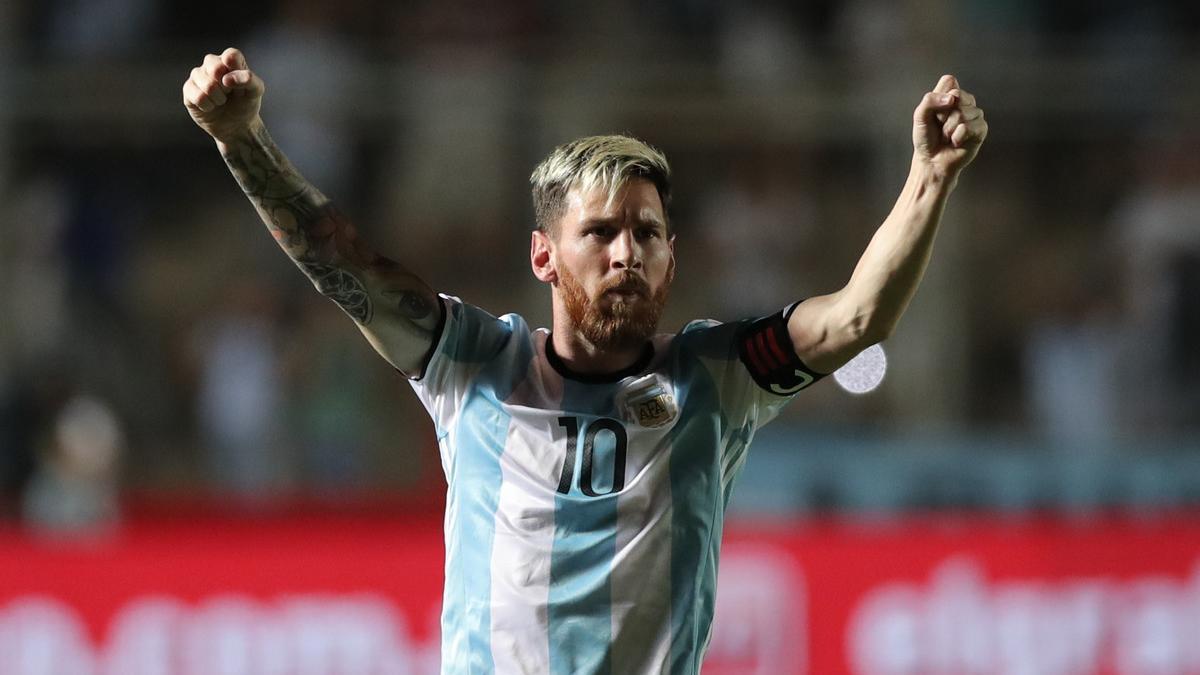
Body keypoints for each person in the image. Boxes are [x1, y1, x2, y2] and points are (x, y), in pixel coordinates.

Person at [182, 47, 987, 674]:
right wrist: (241, 139)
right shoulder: (472, 365)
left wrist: (929, 177)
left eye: (646, 234)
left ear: (673, 259)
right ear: (543, 256)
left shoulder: (716, 374)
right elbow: (342, 261)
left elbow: (856, 316)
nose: (625, 252)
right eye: (600, 232)